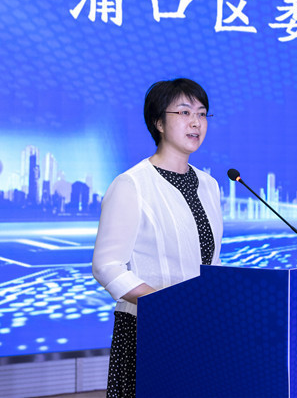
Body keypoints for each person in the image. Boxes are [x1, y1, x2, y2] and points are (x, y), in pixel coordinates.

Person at [92, 78, 223, 398]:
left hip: (200, 327)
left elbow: (209, 260)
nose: (196, 122)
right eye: (184, 112)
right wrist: (166, 304)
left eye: (202, 113)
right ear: (158, 123)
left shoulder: (209, 185)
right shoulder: (131, 184)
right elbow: (107, 266)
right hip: (148, 329)